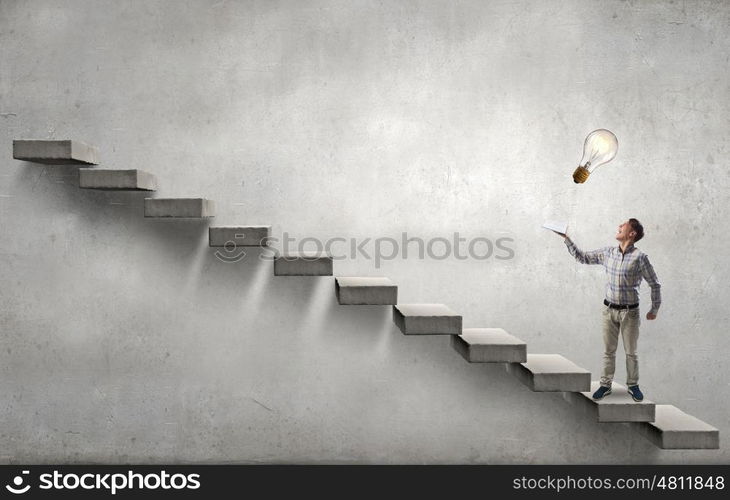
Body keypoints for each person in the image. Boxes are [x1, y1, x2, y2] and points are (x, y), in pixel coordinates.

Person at [556, 219, 661, 401]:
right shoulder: (608, 253)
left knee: (631, 352)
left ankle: (633, 385)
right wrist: (567, 239)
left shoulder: (640, 258)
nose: (619, 226)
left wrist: (654, 309)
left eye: (623, 225)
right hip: (609, 310)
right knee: (608, 351)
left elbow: (655, 284)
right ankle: (605, 385)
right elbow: (582, 257)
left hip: (630, 313)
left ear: (632, 233)